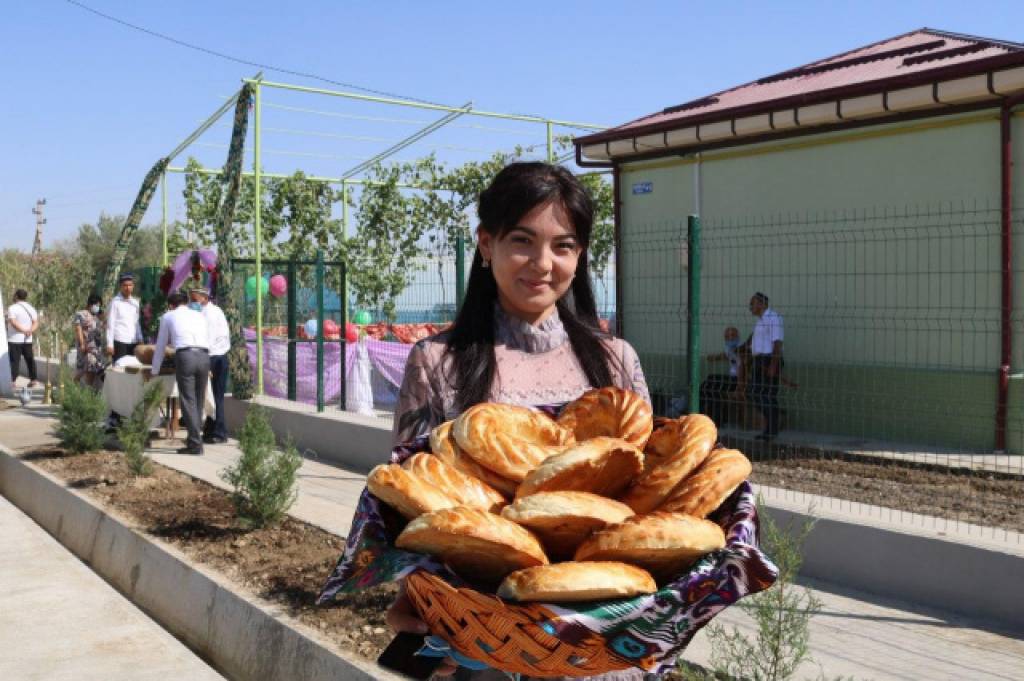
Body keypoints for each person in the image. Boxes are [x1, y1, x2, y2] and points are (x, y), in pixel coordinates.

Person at [387, 162, 650, 681]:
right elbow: (413, 502)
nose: (543, 263)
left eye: (564, 246)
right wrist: (410, 596)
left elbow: (643, 499)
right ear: (486, 245)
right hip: (485, 640)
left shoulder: (616, 361)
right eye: (523, 241)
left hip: (599, 649)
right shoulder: (437, 362)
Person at [152, 291, 210, 455]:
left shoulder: (168, 316)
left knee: (188, 400)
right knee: (198, 400)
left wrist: (155, 370)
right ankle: (195, 438)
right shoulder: (199, 315)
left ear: (170, 305)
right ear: (186, 302)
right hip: (204, 356)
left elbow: (161, 345)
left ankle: (195, 444)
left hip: (185, 356)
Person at [189, 286, 230, 444]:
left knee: (213, 396)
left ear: (204, 298)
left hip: (213, 357)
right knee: (212, 396)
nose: (192, 302)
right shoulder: (213, 311)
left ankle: (218, 432)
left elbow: (209, 339)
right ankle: (211, 430)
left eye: (194, 299)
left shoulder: (210, 314)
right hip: (216, 356)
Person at [744, 292, 784, 441]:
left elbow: (777, 342)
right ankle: (768, 429)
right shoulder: (760, 321)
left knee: (767, 396)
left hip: (769, 360)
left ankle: (771, 431)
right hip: (759, 361)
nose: (750, 308)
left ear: (762, 304)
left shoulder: (772, 318)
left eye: (752, 304)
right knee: (756, 394)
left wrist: (773, 365)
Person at [700, 326, 745, 425]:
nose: (730, 338)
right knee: (710, 388)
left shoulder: (741, 348)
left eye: (732, 335)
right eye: (727, 337)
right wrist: (714, 357)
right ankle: (715, 417)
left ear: (738, 336)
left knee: (710, 380)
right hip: (731, 379)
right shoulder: (730, 348)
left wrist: (740, 384)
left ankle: (701, 412)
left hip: (737, 380)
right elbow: (726, 355)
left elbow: (743, 365)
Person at [5, 289, 40, 388]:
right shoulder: (31, 308)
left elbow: (13, 322)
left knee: (14, 361)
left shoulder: (12, 308)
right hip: (27, 339)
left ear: (16, 296)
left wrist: (24, 331)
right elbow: (36, 322)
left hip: (14, 339)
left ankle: (13, 381)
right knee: (30, 359)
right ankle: (33, 379)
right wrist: (30, 331)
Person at [106, 273, 143, 362]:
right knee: (120, 368)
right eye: (125, 285)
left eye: (130, 285)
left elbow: (136, 323)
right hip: (120, 340)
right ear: (120, 286)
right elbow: (110, 324)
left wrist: (140, 338)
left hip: (133, 341)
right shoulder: (115, 302)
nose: (128, 288)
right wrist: (110, 344)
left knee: (133, 368)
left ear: (133, 286)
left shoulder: (135, 303)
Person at [73, 293, 105, 388]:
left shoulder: (97, 316)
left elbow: (103, 326)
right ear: (90, 304)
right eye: (97, 305)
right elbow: (78, 329)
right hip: (85, 345)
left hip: (96, 346)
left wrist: (102, 317)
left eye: (99, 306)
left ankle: (89, 389)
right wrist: (82, 344)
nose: (98, 307)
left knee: (92, 367)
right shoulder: (80, 314)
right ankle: (75, 383)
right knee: (85, 367)